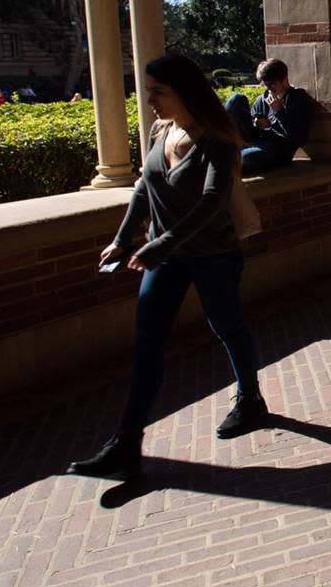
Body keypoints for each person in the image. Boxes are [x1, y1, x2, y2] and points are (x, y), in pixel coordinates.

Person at [67, 54, 266, 481]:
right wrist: (123, 237)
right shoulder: (161, 131)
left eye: (158, 91)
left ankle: (250, 398)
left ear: (184, 92)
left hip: (211, 254)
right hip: (167, 257)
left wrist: (159, 243)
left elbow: (213, 201)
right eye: (149, 90)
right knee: (148, 344)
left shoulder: (217, 139)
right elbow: (144, 185)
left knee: (227, 326)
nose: (149, 99)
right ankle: (125, 443)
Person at [225, 58, 312, 174]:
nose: (269, 89)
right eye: (266, 85)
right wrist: (256, 123)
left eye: (273, 84)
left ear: (285, 79)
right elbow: (248, 125)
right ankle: (228, 149)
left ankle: (229, 158)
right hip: (257, 140)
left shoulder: (298, 99)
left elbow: (299, 138)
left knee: (245, 158)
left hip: (278, 148)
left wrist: (279, 111)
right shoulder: (263, 99)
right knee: (236, 99)